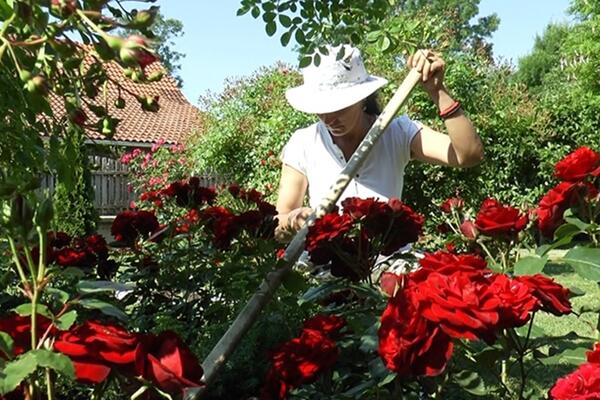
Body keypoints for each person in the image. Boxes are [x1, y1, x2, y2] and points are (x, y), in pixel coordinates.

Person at [275, 44, 484, 237]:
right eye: (320, 107)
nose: (328, 118)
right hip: (325, 267)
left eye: (338, 107)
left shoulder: (398, 132)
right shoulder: (303, 143)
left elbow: (468, 155)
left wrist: (437, 91)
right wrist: (293, 220)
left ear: (362, 98)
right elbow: (281, 217)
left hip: (389, 264)